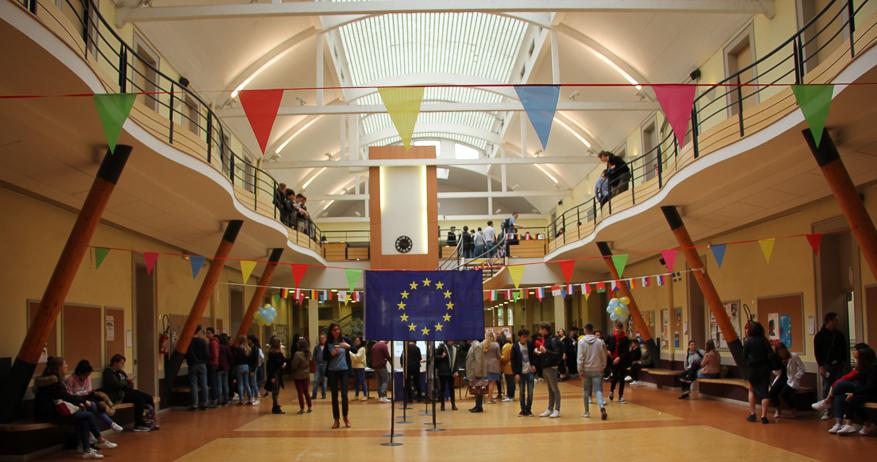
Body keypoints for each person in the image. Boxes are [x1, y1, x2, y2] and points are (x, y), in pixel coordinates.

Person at [36, 357, 117, 459]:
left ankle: (87, 449)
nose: (67, 366)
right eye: (65, 365)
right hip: (50, 414)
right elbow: (65, 396)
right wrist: (83, 401)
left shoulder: (53, 379)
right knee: (88, 415)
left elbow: (65, 397)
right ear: (59, 367)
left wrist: (80, 402)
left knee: (84, 418)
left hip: (55, 411)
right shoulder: (54, 382)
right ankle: (99, 439)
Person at [819, 344, 877, 435]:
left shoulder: (873, 369)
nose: (856, 360)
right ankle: (863, 424)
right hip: (865, 391)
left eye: (858, 358)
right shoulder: (862, 368)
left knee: (853, 398)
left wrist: (854, 393)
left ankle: (850, 423)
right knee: (840, 394)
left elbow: (871, 387)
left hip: (873, 393)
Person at [101, 354, 157, 432]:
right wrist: (126, 382)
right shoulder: (108, 372)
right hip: (119, 395)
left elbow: (125, 383)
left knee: (148, 397)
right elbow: (116, 384)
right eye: (121, 363)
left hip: (127, 391)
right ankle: (138, 424)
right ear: (115, 363)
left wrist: (128, 382)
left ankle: (151, 421)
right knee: (139, 400)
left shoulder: (121, 372)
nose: (122, 365)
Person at [65, 360, 123, 432]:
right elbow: (70, 394)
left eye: (88, 375)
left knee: (94, 406)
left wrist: (81, 392)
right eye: (85, 375)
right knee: (92, 408)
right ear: (79, 372)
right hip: (76, 401)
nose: (86, 377)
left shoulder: (87, 378)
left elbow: (89, 390)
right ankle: (109, 424)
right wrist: (83, 393)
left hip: (87, 398)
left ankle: (99, 431)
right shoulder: (70, 379)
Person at [814, 312, 848, 419]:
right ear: (830, 321)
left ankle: (840, 410)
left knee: (840, 387)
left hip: (838, 365)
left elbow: (844, 349)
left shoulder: (839, 335)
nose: (838, 322)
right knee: (826, 387)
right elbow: (817, 352)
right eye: (836, 320)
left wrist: (843, 361)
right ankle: (827, 411)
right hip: (826, 365)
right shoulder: (820, 335)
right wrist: (821, 366)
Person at [743, 321, 774, 424]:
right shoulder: (765, 341)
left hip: (753, 369)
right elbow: (770, 354)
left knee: (751, 390)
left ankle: (752, 414)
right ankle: (764, 416)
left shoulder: (748, 341)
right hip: (765, 368)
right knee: (765, 392)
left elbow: (744, 356)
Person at [324, 322, 352, 429]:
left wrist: (348, 346)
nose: (336, 331)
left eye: (338, 329)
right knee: (334, 396)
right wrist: (331, 354)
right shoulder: (328, 343)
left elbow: (355, 349)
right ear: (331, 332)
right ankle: (336, 420)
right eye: (334, 330)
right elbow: (324, 357)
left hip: (344, 370)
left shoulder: (345, 339)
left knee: (344, 395)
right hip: (332, 371)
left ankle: (346, 417)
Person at [578, 324, 608, 420]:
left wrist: (580, 369)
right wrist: (603, 366)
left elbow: (580, 357)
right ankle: (602, 407)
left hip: (586, 370)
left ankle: (586, 412)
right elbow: (603, 355)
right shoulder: (599, 341)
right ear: (592, 330)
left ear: (585, 330)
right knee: (598, 390)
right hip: (597, 369)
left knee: (586, 390)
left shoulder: (581, 342)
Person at [769, 342, 805, 419]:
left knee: (784, 394)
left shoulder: (794, 356)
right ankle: (778, 410)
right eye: (779, 352)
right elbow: (776, 372)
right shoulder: (778, 359)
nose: (781, 353)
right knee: (772, 392)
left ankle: (793, 409)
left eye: (782, 350)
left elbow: (802, 368)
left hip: (792, 379)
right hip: (782, 378)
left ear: (785, 349)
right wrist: (779, 365)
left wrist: (797, 376)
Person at [536, 323, 562, 417]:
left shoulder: (553, 339)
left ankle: (557, 409)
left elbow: (556, 353)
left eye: (540, 329)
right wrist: (540, 352)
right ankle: (549, 408)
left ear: (544, 329)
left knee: (555, 389)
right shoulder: (546, 339)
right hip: (546, 366)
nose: (539, 331)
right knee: (550, 389)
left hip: (551, 367)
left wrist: (546, 351)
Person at [511, 329, 536, 416]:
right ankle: (523, 410)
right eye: (523, 337)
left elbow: (534, 356)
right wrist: (516, 373)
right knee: (521, 393)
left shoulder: (530, 345)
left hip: (529, 372)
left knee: (530, 393)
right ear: (520, 337)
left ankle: (528, 410)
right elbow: (513, 361)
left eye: (526, 337)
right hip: (520, 373)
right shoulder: (515, 347)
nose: (525, 339)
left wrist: (533, 365)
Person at [605, 322, 631, 403]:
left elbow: (626, 351)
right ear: (614, 328)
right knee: (615, 377)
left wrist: (619, 358)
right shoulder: (610, 337)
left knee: (622, 378)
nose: (617, 330)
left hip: (622, 361)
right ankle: (611, 392)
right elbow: (604, 344)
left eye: (619, 328)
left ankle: (621, 396)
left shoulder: (625, 339)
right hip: (612, 360)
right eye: (616, 328)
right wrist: (607, 351)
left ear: (622, 329)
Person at [186, 325, 210, 410]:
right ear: (198, 331)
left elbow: (186, 354)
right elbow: (207, 354)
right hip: (202, 365)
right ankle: (205, 402)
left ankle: (195, 404)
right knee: (204, 384)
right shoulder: (203, 341)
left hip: (192, 364)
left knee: (194, 385)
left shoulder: (188, 342)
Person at [290, 337, 313, 414]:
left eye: (298, 344)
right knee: (306, 391)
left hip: (298, 375)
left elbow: (294, 365)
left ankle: (302, 408)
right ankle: (309, 407)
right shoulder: (308, 353)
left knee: (300, 392)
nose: (297, 345)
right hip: (306, 374)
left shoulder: (297, 354)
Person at [436, 340, 460, 411]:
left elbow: (456, 361)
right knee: (442, 389)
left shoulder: (455, 348)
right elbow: (434, 357)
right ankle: (442, 405)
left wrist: (456, 370)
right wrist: (441, 356)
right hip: (443, 372)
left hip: (451, 372)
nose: (452, 341)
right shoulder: (441, 347)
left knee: (451, 389)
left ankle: (453, 405)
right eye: (450, 340)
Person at [265, 336, 287, 414]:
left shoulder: (278, 353)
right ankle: (275, 406)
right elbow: (271, 366)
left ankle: (276, 405)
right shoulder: (272, 354)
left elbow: (283, 360)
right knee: (275, 391)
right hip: (275, 374)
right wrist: (272, 376)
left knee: (276, 390)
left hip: (278, 373)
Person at [232, 335, 255, 405]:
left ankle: (241, 400)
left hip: (240, 366)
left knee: (240, 384)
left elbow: (237, 359)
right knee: (247, 383)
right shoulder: (249, 349)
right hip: (246, 367)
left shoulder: (239, 348)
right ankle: (250, 399)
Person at [465, 339, 487, 413]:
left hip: (476, 372)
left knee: (478, 389)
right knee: (477, 389)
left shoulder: (476, 346)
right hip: (474, 372)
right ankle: (477, 405)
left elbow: (478, 361)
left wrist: (478, 373)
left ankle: (479, 407)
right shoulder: (474, 345)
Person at [482, 332, 502, 404]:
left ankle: (484, 399)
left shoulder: (482, 344)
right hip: (493, 365)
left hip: (485, 365)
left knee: (485, 382)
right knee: (492, 382)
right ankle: (490, 398)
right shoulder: (496, 345)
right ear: (493, 336)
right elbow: (499, 356)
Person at [350, 336, 369, 401]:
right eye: (355, 340)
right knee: (357, 382)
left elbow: (356, 357)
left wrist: (349, 352)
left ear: (361, 342)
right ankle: (356, 395)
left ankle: (365, 395)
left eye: (357, 341)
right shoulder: (355, 348)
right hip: (355, 367)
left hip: (360, 367)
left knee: (362, 381)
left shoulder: (362, 349)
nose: (356, 342)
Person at [205, 327, 220, 407]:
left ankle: (214, 399)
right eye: (206, 333)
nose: (207, 334)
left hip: (212, 364)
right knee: (214, 382)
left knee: (213, 382)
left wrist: (207, 356)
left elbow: (215, 354)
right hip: (214, 363)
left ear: (213, 334)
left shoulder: (213, 343)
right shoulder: (213, 342)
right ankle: (215, 399)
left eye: (208, 333)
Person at [216, 333, 232, 406]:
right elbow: (230, 357)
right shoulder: (227, 347)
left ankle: (219, 400)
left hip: (219, 367)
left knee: (219, 384)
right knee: (225, 384)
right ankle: (226, 400)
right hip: (226, 367)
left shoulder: (218, 346)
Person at [247, 335, 264, 402]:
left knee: (253, 382)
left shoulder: (255, 349)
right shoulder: (251, 348)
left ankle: (256, 395)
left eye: (248, 340)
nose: (247, 341)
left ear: (251, 340)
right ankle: (253, 395)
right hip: (252, 367)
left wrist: (253, 370)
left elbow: (256, 360)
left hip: (253, 367)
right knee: (252, 382)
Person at [312, 333, 328, 399]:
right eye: (320, 338)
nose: (322, 340)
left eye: (323, 338)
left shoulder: (327, 347)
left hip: (325, 365)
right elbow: (314, 356)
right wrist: (315, 363)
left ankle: (324, 395)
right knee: (316, 380)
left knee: (324, 380)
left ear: (325, 339)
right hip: (318, 365)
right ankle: (314, 395)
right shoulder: (316, 347)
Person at [501, 336, 515, 402]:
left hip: (508, 367)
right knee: (511, 381)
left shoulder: (506, 346)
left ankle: (510, 396)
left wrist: (500, 358)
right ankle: (511, 395)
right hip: (512, 366)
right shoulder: (512, 345)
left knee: (510, 382)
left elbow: (505, 358)